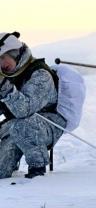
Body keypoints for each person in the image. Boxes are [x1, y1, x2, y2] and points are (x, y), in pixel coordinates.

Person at [0, 32, 65, 179]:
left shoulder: (40, 74)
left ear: (15, 53)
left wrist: (4, 87)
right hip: (16, 125)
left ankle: (37, 171)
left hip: (47, 124)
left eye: (3, 58)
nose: (1, 64)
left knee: (23, 126)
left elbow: (25, 110)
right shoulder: (8, 76)